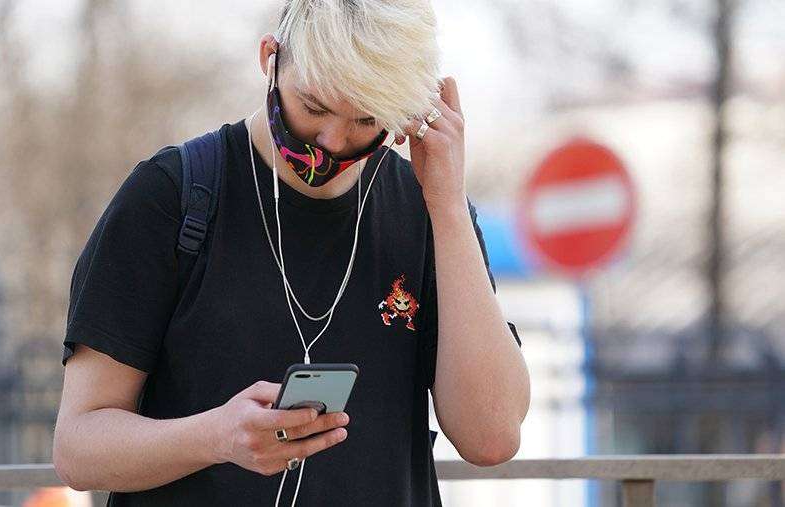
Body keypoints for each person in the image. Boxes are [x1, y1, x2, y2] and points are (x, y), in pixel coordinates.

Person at [52, 1, 530, 505]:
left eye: (366, 117)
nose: (332, 141)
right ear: (270, 59)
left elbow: (492, 437)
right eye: (314, 107)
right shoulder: (171, 196)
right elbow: (79, 449)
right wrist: (216, 436)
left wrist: (448, 206)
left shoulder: (430, 211)